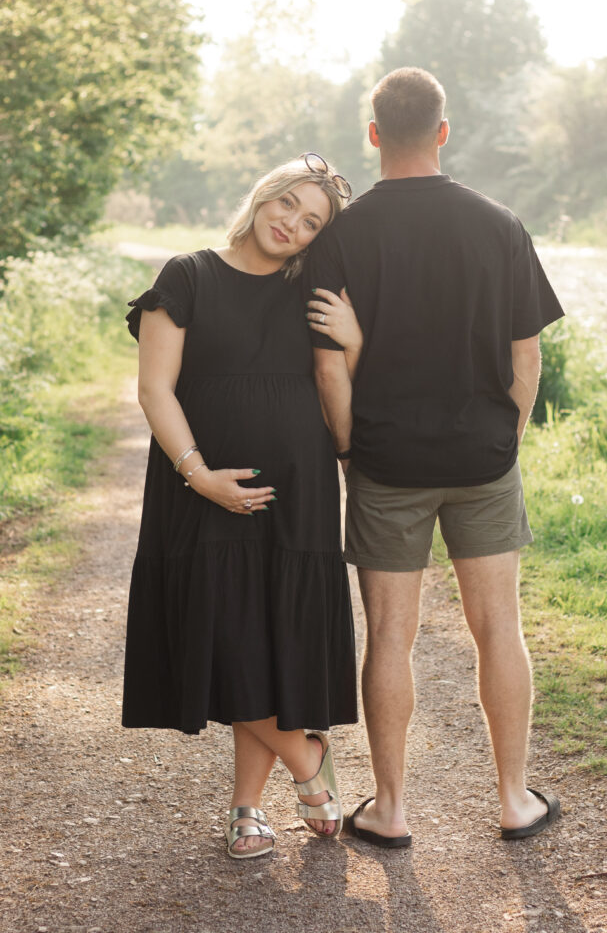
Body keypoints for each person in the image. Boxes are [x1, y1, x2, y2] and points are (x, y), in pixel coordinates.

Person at [305, 67, 565, 847]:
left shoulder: (341, 236)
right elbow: (527, 361)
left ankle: (390, 811)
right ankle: (514, 800)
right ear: (443, 132)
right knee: (499, 629)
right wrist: (500, 445)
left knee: (389, 637)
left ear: (374, 134)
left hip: (386, 465)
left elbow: (328, 367)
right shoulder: (498, 224)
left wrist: (352, 449)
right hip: (484, 459)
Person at [122, 153, 363, 860]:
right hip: (201, 489)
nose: (292, 223)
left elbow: (338, 387)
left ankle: (245, 810)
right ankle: (308, 763)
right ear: (263, 197)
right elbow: (154, 390)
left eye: (311, 220)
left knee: (268, 643)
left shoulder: (313, 288)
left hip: (299, 488)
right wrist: (199, 476)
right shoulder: (187, 274)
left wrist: (355, 342)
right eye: (287, 204)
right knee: (225, 638)